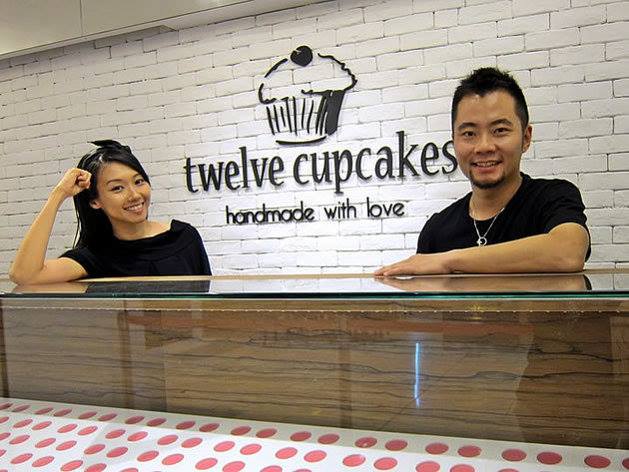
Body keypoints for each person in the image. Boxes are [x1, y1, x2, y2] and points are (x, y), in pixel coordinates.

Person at [376, 67, 590, 276]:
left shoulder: (552, 197)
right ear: (454, 142)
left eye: (500, 130)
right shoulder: (437, 229)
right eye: (469, 133)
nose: (484, 146)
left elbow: (568, 252)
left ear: (526, 138)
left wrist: (448, 261)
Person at [9, 140, 211, 285]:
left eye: (138, 181)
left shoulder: (184, 236)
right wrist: (58, 195)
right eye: (117, 188)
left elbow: (210, 306)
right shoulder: (95, 256)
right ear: (95, 201)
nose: (135, 195)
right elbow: (24, 275)